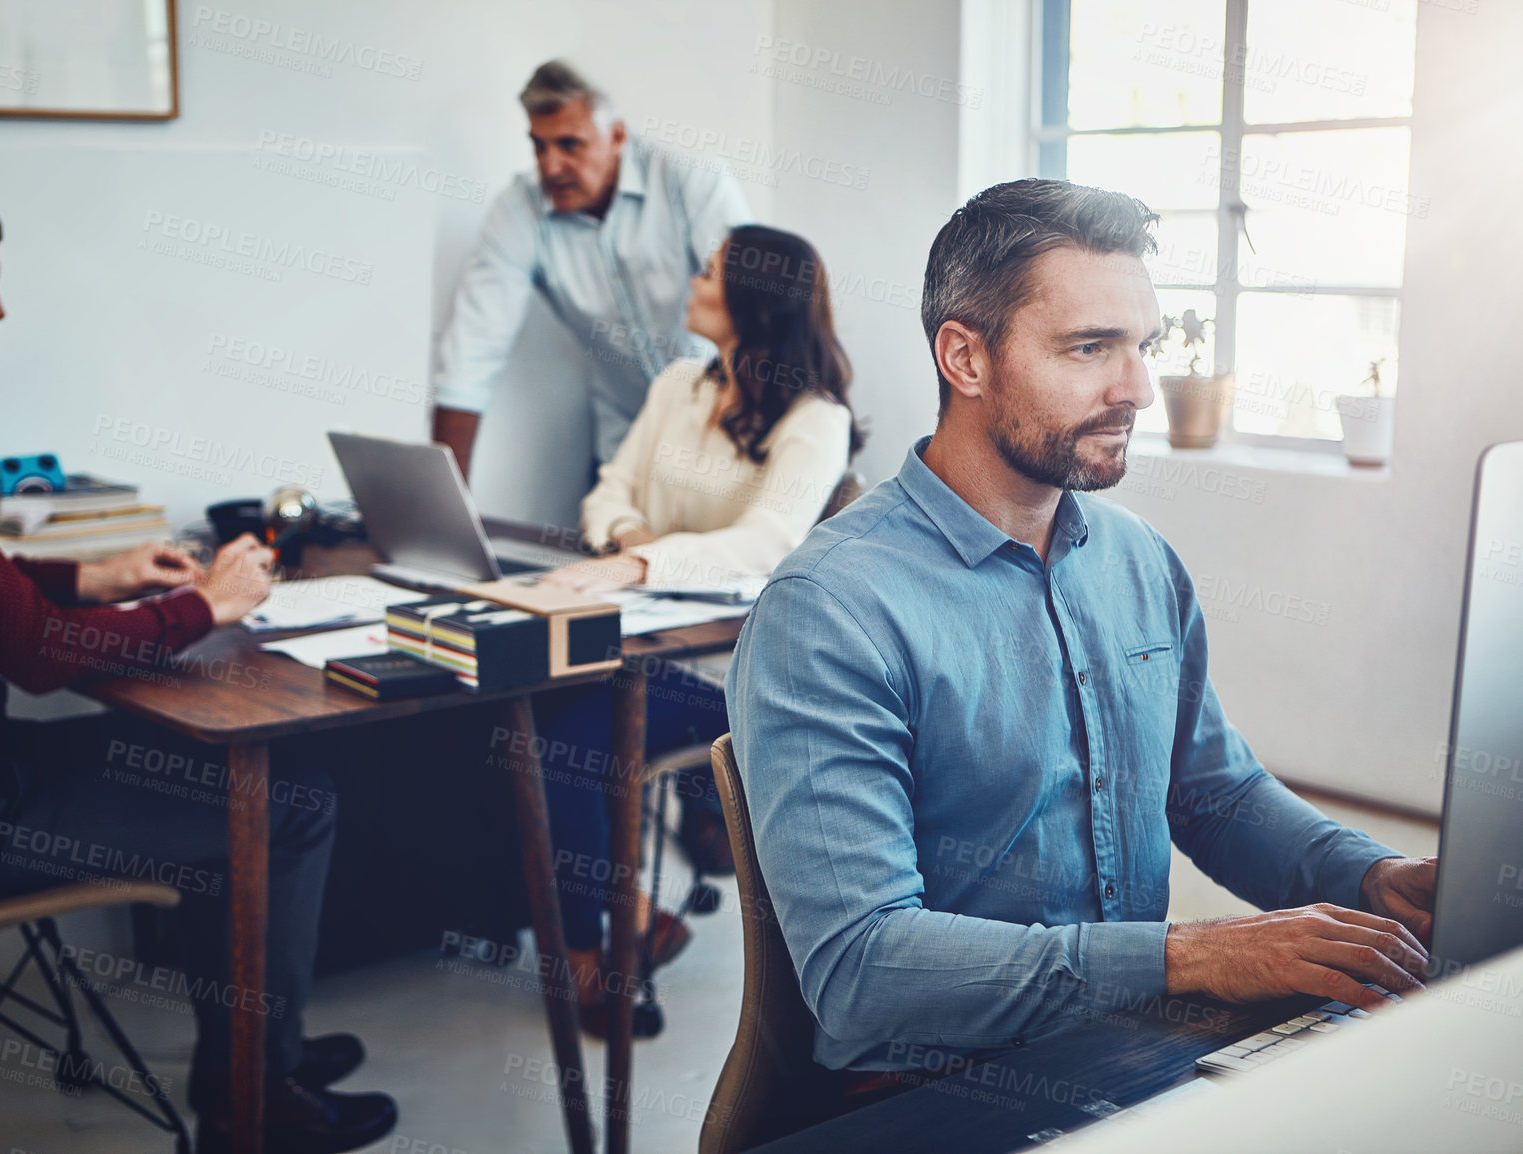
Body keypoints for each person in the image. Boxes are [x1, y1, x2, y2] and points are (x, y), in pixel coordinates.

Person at [725, 179, 1438, 1081]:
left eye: (1142, 345)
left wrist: (1373, 878)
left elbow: (1212, 793)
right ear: (966, 359)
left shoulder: (1138, 560)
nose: (1138, 388)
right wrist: (1190, 955)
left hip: (1130, 1046)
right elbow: (862, 968)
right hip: (934, 1093)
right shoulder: (830, 610)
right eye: (1090, 347)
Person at [0, 176, 395, 1154]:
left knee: (226, 783)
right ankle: (255, 1098)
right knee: (287, 800)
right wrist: (207, 604)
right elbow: (30, 654)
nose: (0, 307)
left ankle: (253, 1050)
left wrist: (97, 571)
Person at [536, 224, 860, 1036]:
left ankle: (591, 953)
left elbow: (769, 539)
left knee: (569, 724)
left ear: (751, 296)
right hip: (636, 646)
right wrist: (631, 543)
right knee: (535, 703)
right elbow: (607, 491)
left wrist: (641, 566)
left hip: (735, 677)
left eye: (709, 270)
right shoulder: (676, 385)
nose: (692, 278)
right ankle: (633, 917)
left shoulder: (815, 417)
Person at [431, 59, 749, 481]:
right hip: (623, 452)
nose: (550, 166)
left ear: (617, 136)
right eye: (539, 146)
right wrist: (449, 502)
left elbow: (754, 309)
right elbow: (471, 354)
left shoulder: (689, 180)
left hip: (726, 437)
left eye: (569, 144)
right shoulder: (519, 210)